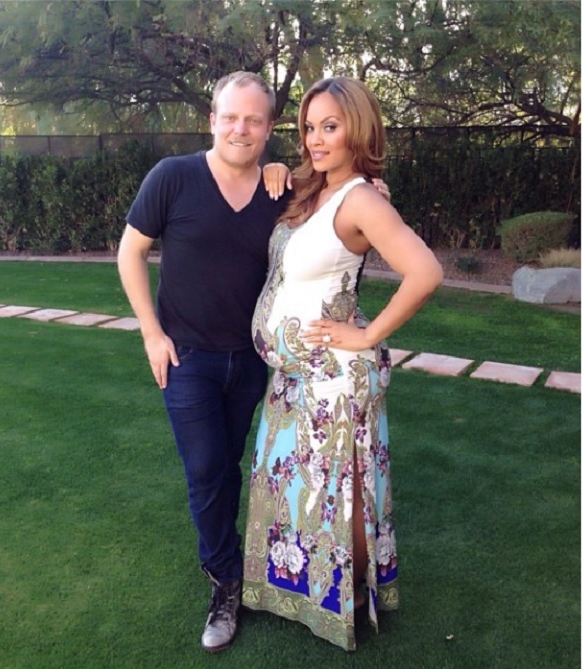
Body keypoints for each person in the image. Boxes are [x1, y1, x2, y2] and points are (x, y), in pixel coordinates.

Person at [117, 70, 390, 653]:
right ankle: (224, 579)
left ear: (268, 128)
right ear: (212, 120)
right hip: (186, 358)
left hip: (252, 364)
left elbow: (341, 199)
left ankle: (253, 563)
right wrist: (151, 333)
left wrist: (369, 189)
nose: (240, 129)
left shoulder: (282, 192)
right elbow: (130, 251)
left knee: (236, 466)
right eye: (230, 117)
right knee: (206, 468)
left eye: (254, 120)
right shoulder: (172, 177)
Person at [242, 76, 443, 651]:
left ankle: (348, 596)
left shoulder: (361, 198)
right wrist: (276, 169)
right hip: (293, 377)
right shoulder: (315, 188)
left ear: (357, 128)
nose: (315, 139)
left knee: (340, 491)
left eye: (329, 126)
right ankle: (302, 591)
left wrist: (369, 334)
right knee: (297, 488)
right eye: (309, 127)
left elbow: (425, 271)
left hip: (334, 377)